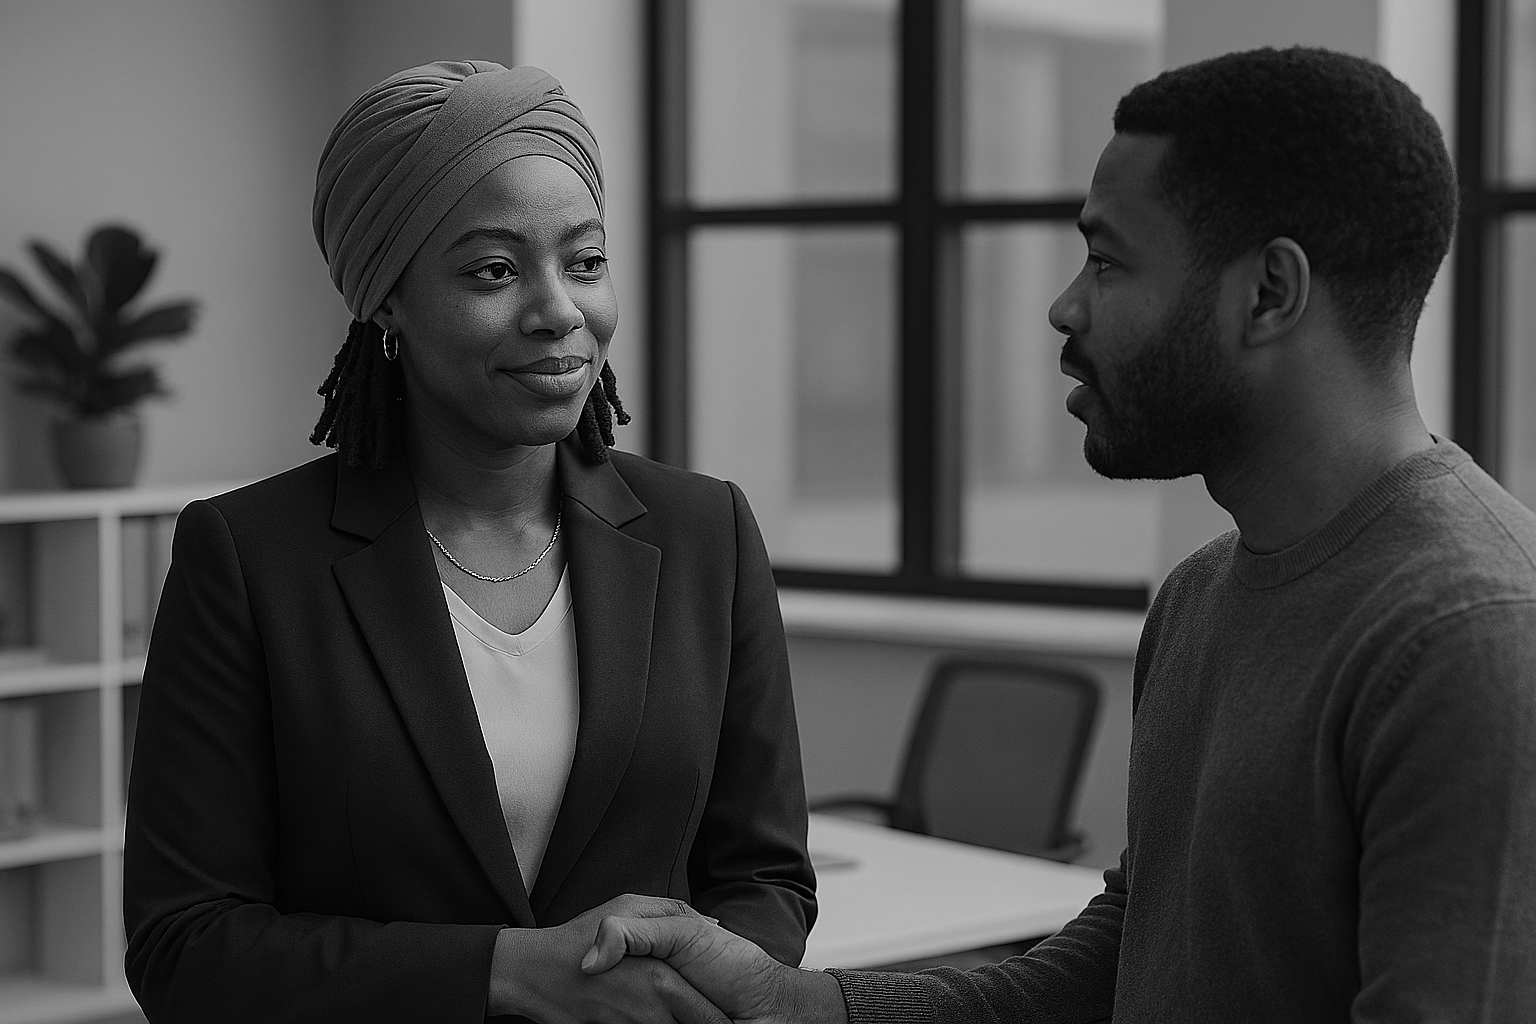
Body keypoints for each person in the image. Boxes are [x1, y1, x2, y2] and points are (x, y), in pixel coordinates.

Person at [578, 46, 1536, 1023]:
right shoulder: (1201, 598)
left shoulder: (1472, 635)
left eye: (1109, 260)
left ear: (1268, 293)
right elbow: (1123, 960)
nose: (1064, 305)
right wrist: (803, 1004)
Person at [123, 61, 814, 1024]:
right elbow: (185, 945)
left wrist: (689, 988)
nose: (559, 311)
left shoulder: (709, 534)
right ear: (387, 302)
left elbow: (765, 875)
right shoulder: (247, 558)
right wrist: (509, 972)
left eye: (585, 261)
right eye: (494, 270)